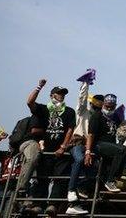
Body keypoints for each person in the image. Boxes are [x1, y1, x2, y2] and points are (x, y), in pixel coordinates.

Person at [28, 80, 76, 215]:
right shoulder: (44, 109)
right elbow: (30, 102)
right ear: (52, 95)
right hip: (46, 149)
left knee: (59, 178)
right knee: (42, 177)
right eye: (58, 93)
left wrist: (63, 146)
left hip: (61, 151)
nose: (61, 95)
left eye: (63, 94)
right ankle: (38, 204)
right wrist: (39, 87)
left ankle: (53, 204)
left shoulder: (69, 111)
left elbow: (70, 130)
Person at [66, 69, 100, 215]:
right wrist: (86, 83)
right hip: (79, 143)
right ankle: (72, 191)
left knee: (96, 171)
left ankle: (76, 198)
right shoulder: (83, 112)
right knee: (79, 160)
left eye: (101, 104)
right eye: (96, 103)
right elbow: (82, 98)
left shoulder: (99, 118)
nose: (98, 105)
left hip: (90, 146)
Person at [85, 94, 126, 193]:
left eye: (111, 106)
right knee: (121, 150)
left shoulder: (116, 117)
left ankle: (114, 178)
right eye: (107, 106)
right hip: (98, 144)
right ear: (103, 104)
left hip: (110, 145)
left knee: (124, 149)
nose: (109, 108)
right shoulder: (97, 115)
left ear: (115, 106)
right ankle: (110, 180)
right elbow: (90, 135)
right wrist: (88, 151)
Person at [0, 131, 22, 217]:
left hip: (14, 189)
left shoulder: (23, 155)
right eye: (10, 143)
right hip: (1, 187)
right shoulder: (5, 155)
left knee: (7, 214)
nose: (11, 145)